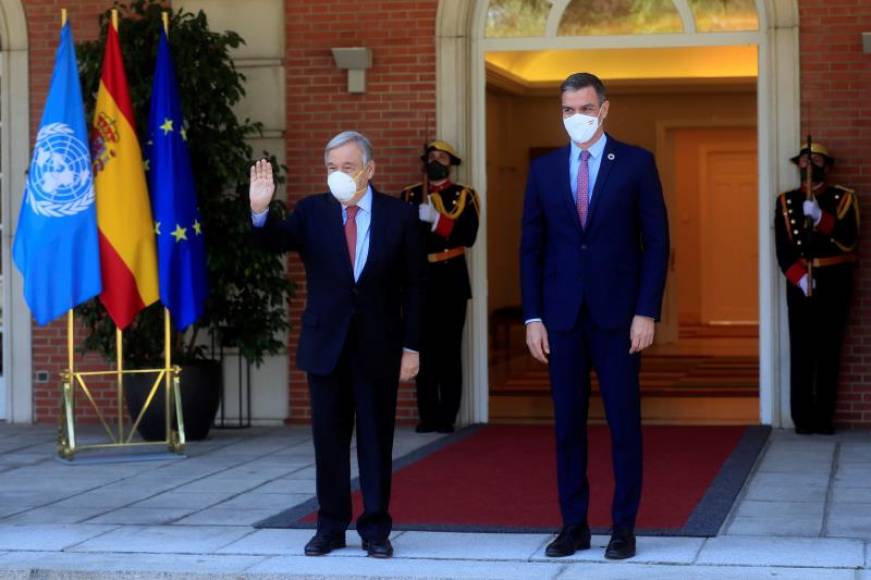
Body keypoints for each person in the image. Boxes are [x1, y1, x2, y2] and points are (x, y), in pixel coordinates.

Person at [249, 131, 426, 559]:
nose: (339, 175)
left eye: (348, 167)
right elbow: (273, 241)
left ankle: (375, 529)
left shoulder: (399, 217)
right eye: (332, 167)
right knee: (328, 442)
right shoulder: (311, 212)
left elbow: (418, 288)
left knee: (375, 440)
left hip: (378, 349)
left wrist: (412, 347)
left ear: (370, 169)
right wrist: (259, 210)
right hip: (326, 346)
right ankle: (330, 527)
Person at [520, 73, 669, 560]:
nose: (576, 118)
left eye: (585, 108)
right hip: (561, 319)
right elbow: (531, 249)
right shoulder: (543, 170)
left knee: (624, 424)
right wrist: (533, 317)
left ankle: (623, 527)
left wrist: (647, 311)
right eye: (567, 110)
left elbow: (656, 244)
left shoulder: (636, 163)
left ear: (604, 109)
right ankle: (574, 525)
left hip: (619, 318)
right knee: (567, 426)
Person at [774, 142, 858, 435]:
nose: (809, 166)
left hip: (835, 282)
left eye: (817, 160)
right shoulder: (785, 201)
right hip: (800, 284)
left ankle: (823, 419)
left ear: (828, 166)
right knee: (802, 350)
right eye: (805, 161)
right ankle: (803, 420)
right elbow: (783, 250)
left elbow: (850, 241)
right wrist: (798, 276)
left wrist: (822, 219)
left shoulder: (843, 199)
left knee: (828, 351)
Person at [401, 140, 480, 433]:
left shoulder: (465, 195)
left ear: (451, 163)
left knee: (448, 351)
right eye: (431, 156)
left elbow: (468, 235)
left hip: (450, 280)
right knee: (421, 349)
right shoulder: (410, 195)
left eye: (442, 157)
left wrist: (437, 221)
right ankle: (428, 415)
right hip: (420, 280)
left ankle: (447, 416)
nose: (436, 160)